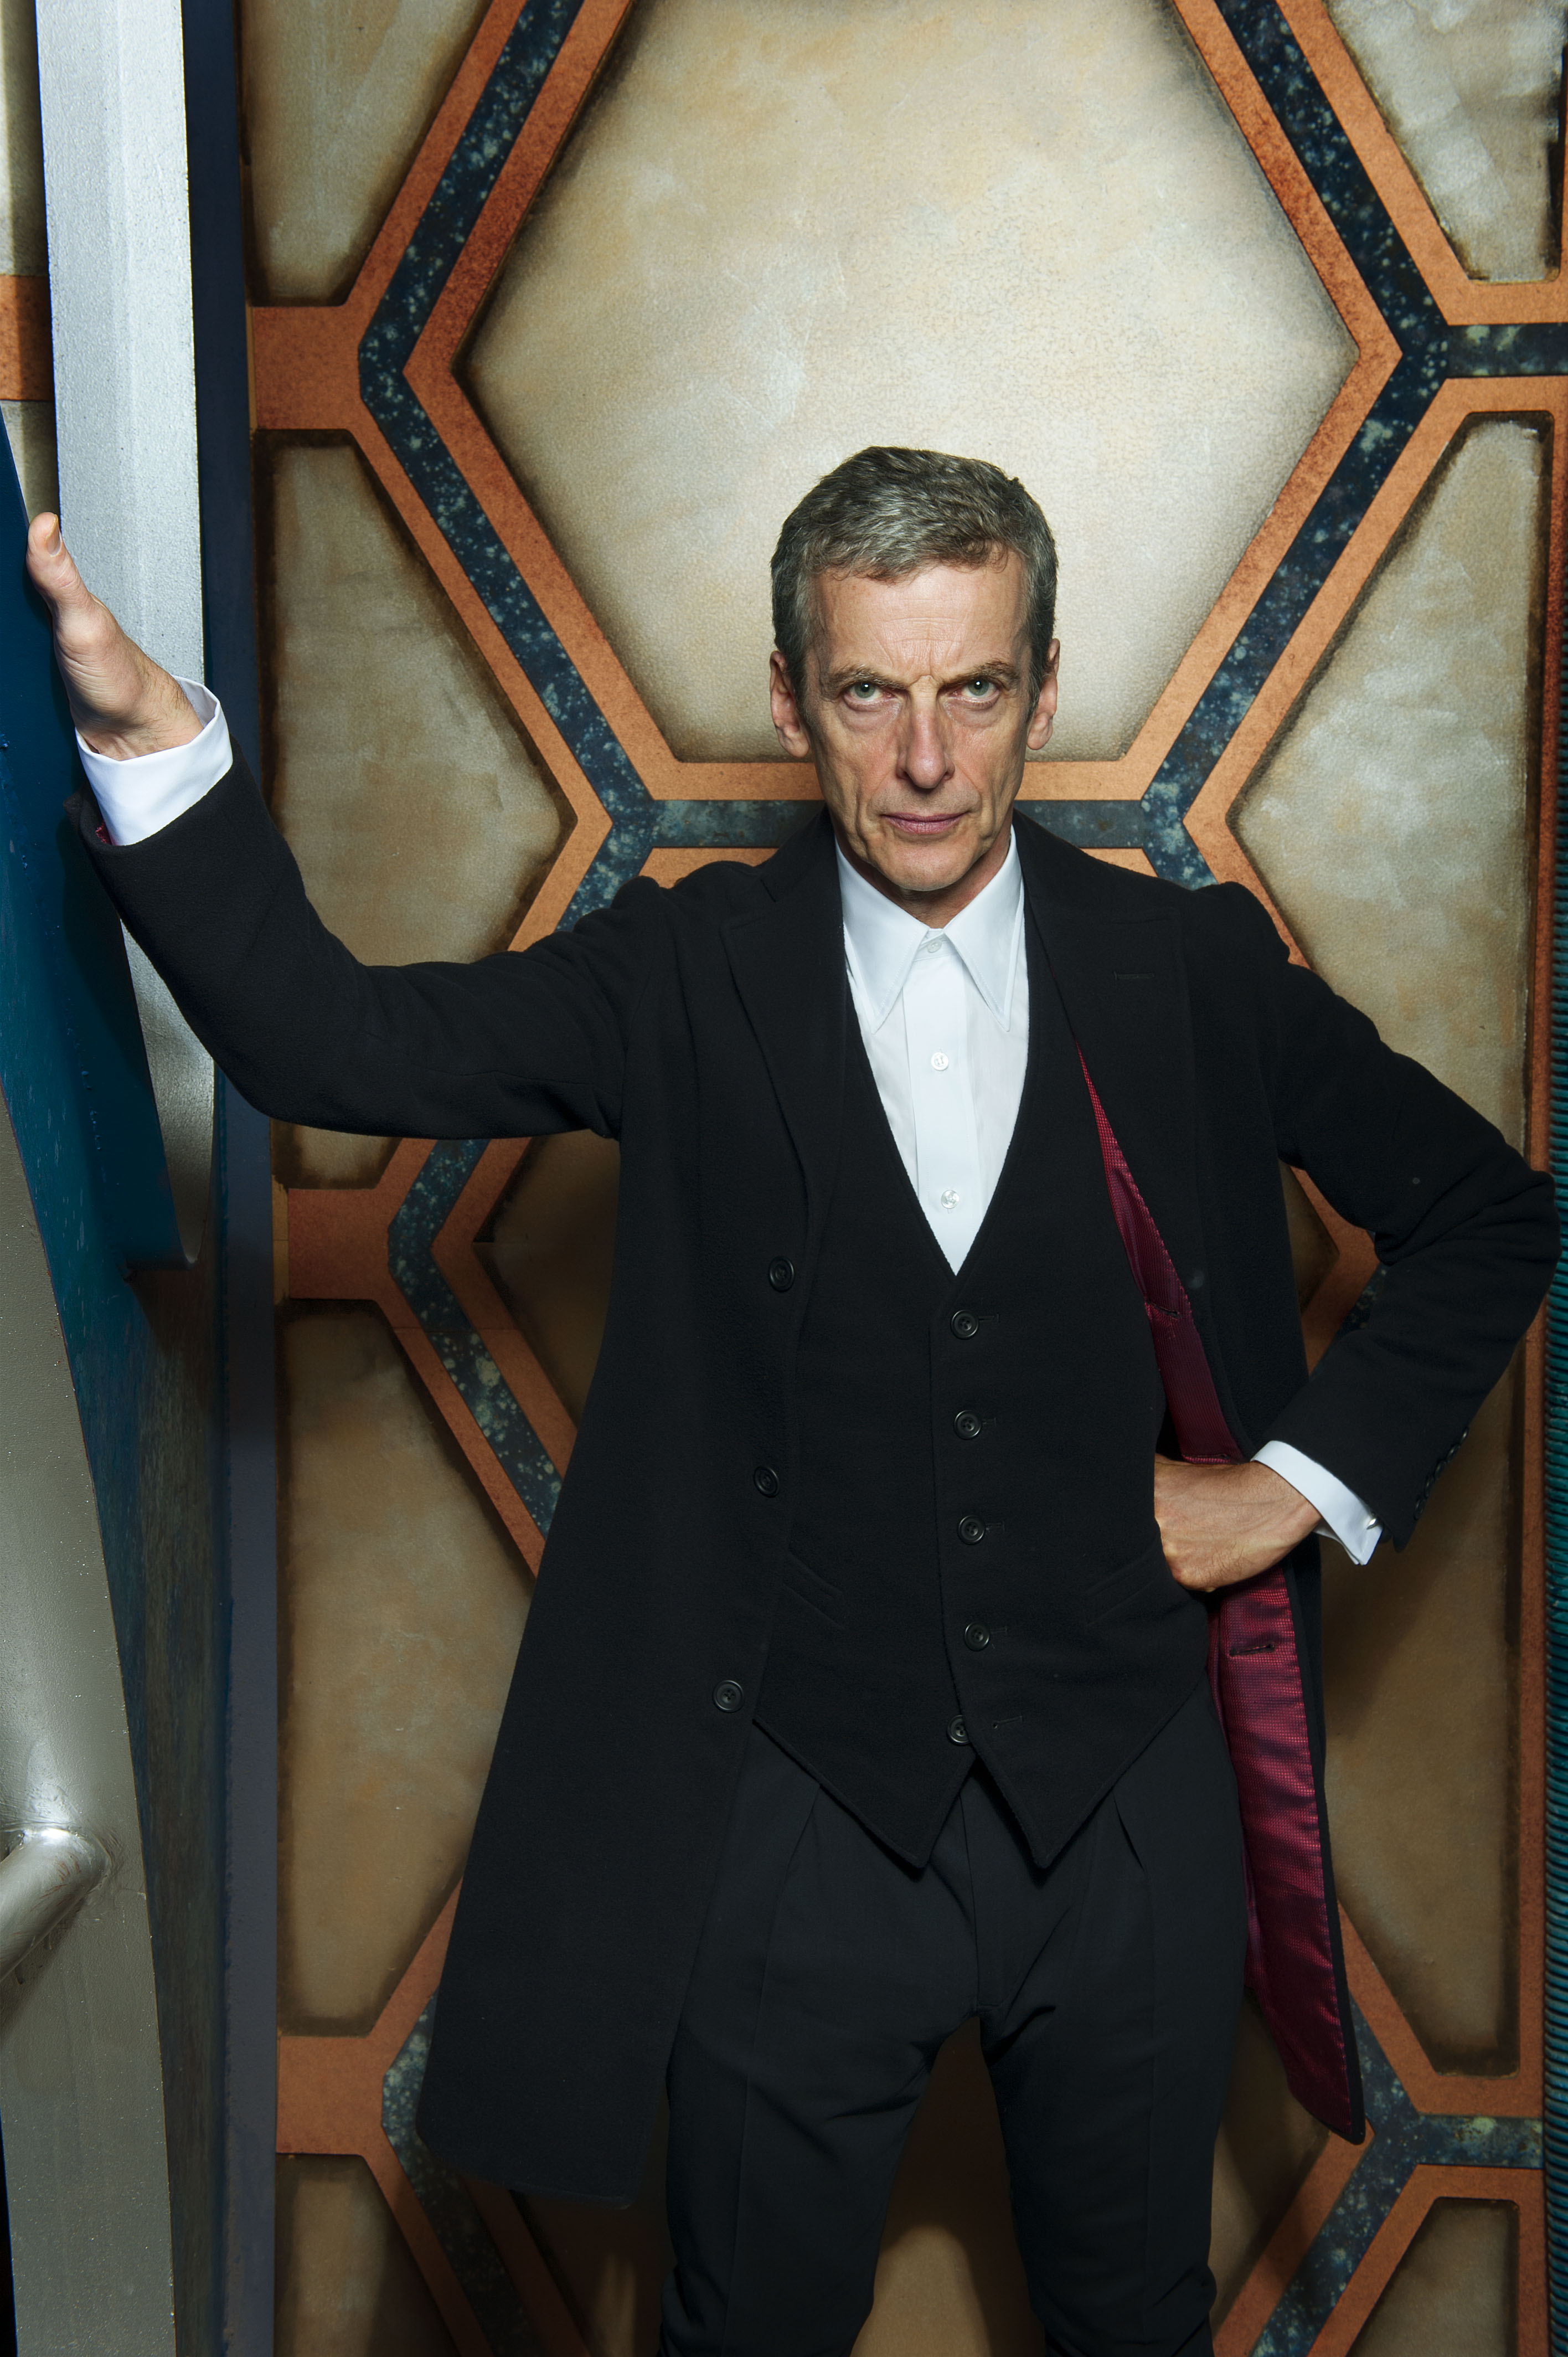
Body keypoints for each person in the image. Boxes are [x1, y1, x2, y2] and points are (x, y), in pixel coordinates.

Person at [28, 447, 1556, 2357]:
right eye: (868, 692)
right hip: (798, 1826)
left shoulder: (1189, 972)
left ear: (1045, 689)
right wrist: (151, 740)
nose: (925, 757)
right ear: (788, 701)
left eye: (974, 688)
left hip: (1127, 1814)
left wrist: (1291, 1484)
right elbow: (334, 1042)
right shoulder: (684, 970)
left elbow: (1493, 1216)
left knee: (1136, 2330)